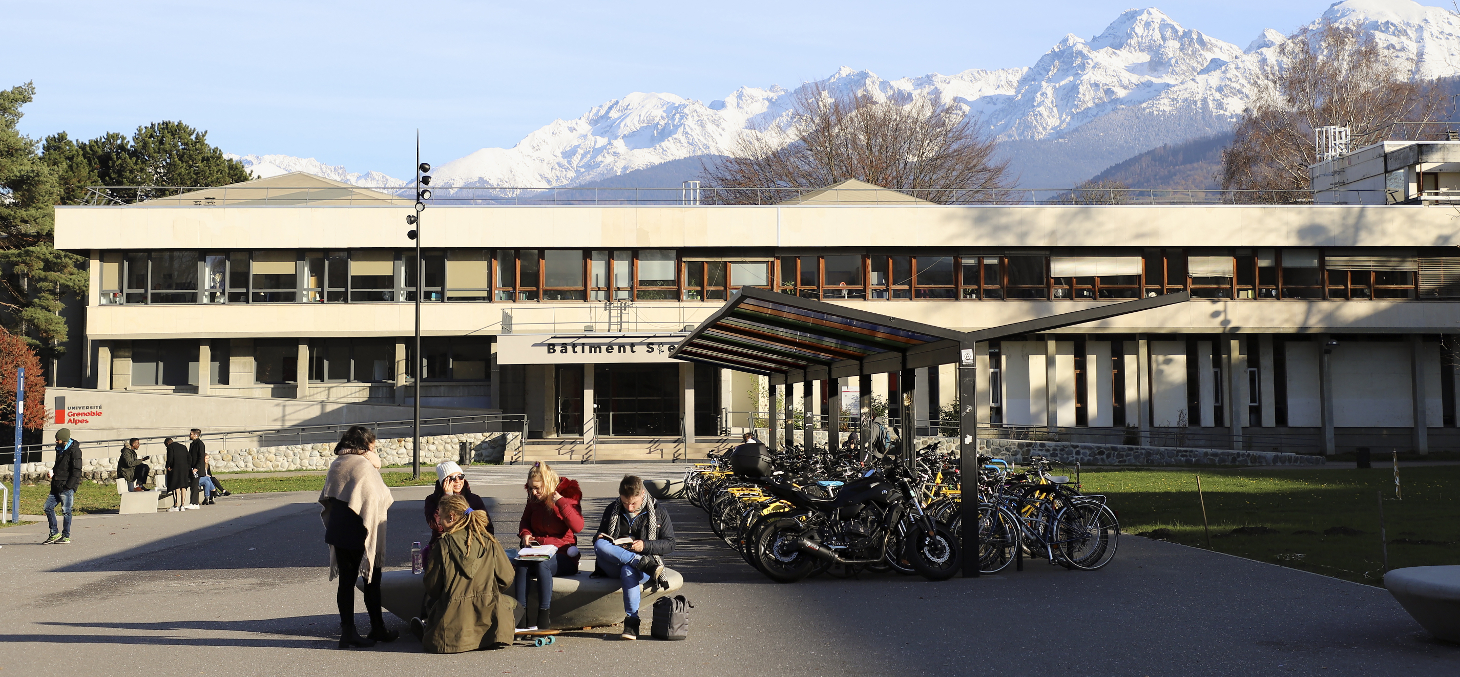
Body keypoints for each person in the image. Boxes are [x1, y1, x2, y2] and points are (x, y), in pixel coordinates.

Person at [320, 425, 398, 649]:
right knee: (372, 579)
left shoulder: (338, 462)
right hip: (360, 530)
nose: (375, 450)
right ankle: (376, 627)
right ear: (363, 446)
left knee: (346, 583)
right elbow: (374, 498)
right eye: (372, 446)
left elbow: (330, 496)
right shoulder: (363, 466)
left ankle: (349, 631)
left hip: (338, 529)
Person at [412, 494, 516, 653]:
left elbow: (432, 587)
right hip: (489, 614)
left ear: (451, 517)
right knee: (513, 605)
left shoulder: (443, 544)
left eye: (440, 517)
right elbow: (507, 578)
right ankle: (493, 633)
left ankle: (427, 629)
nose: (439, 522)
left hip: (452, 625)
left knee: (432, 604)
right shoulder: (488, 540)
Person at [592, 474, 675, 640]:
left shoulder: (659, 511)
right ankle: (639, 562)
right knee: (599, 545)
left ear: (642, 494)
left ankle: (632, 621)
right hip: (615, 563)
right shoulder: (612, 509)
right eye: (624, 503)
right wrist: (601, 537)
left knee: (628, 570)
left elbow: (670, 544)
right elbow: (600, 538)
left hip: (644, 564)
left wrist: (645, 545)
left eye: (633, 503)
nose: (629, 508)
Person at [512, 461, 582, 631]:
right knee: (521, 566)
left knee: (544, 566)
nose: (534, 492)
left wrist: (562, 503)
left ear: (548, 483)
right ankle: (522, 617)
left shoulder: (567, 496)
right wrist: (526, 534)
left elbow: (578, 526)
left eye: (537, 488)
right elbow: (525, 521)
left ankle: (544, 617)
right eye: (530, 488)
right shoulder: (533, 500)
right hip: (536, 552)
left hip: (563, 555)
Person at [423, 461, 489, 551]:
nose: (458, 480)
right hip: (444, 546)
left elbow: (487, 526)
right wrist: (447, 497)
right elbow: (436, 525)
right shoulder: (432, 500)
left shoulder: (473, 499)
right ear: (443, 481)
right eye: (453, 478)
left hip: (471, 545)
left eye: (461, 476)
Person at [42, 428, 83, 545]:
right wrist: (53, 472)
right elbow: (58, 466)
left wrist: (69, 486)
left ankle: (66, 536)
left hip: (66, 486)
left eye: (57, 439)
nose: (56, 441)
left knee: (66, 511)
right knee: (47, 507)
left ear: (64, 440)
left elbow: (76, 470)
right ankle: (54, 533)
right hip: (56, 485)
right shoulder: (59, 449)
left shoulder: (75, 451)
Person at [163, 437, 193, 511]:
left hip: (175, 469)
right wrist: (188, 466)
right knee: (183, 486)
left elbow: (170, 458)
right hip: (185, 469)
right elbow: (189, 457)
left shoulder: (170, 447)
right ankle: (182, 505)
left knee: (176, 485)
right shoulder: (183, 447)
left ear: (167, 443)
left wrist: (168, 466)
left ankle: (176, 505)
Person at [188, 429, 206, 508]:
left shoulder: (200, 444)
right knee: (193, 485)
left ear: (195, 435)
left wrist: (197, 467)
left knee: (195, 485)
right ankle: (194, 502)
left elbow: (201, 457)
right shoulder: (192, 444)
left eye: (191, 434)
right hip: (192, 467)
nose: (189, 435)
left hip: (196, 468)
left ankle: (194, 503)